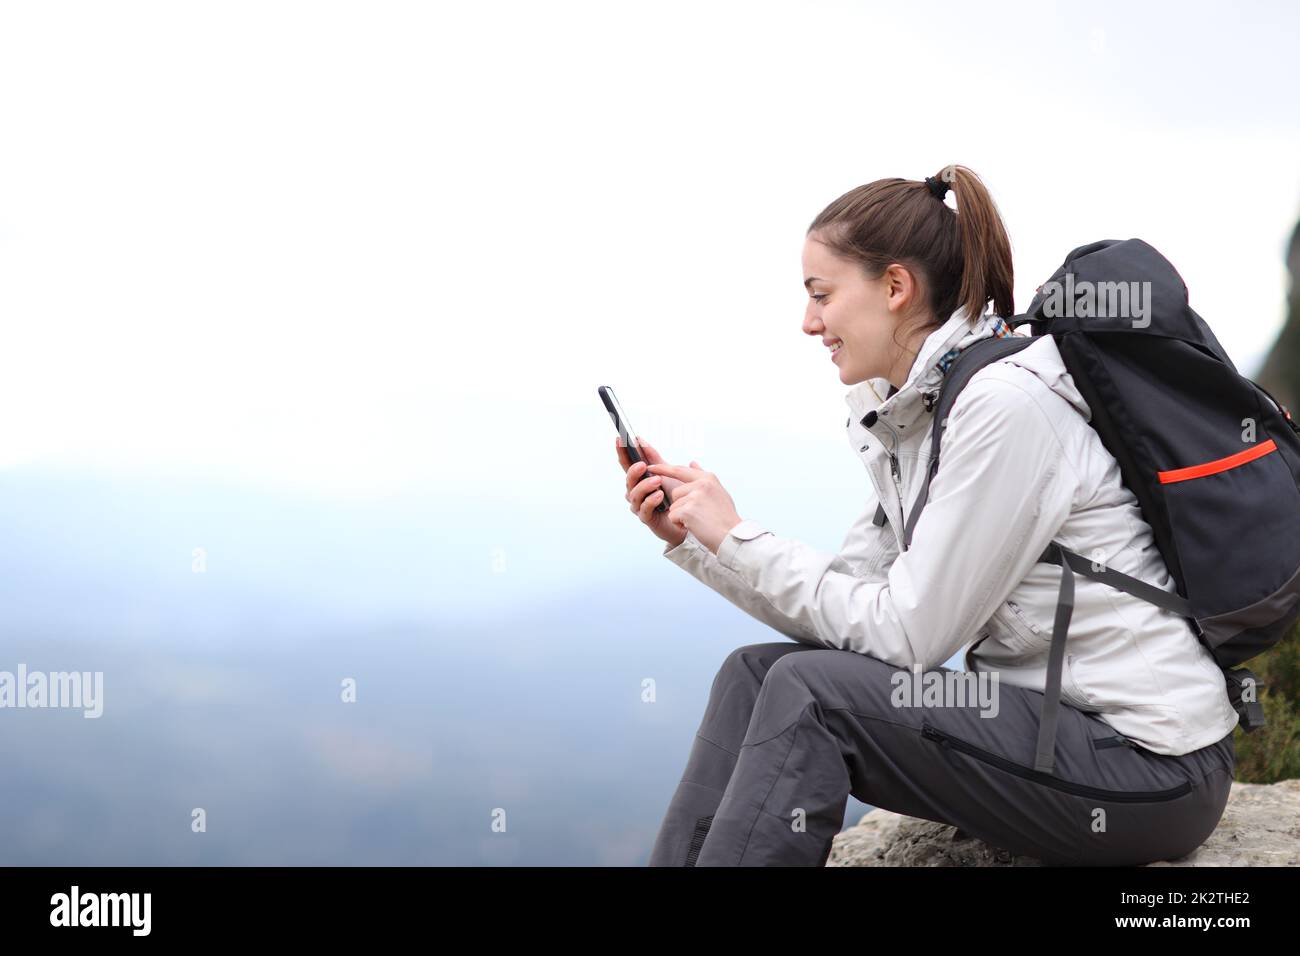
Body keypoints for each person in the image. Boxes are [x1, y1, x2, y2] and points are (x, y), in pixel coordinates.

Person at [616, 165, 1239, 867]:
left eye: (821, 294)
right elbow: (851, 602)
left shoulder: (1006, 408)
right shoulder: (913, 415)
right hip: (1056, 736)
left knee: (809, 695)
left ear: (894, 287)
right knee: (753, 675)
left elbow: (909, 635)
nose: (808, 322)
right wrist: (705, 546)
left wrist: (736, 535)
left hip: (1147, 768)